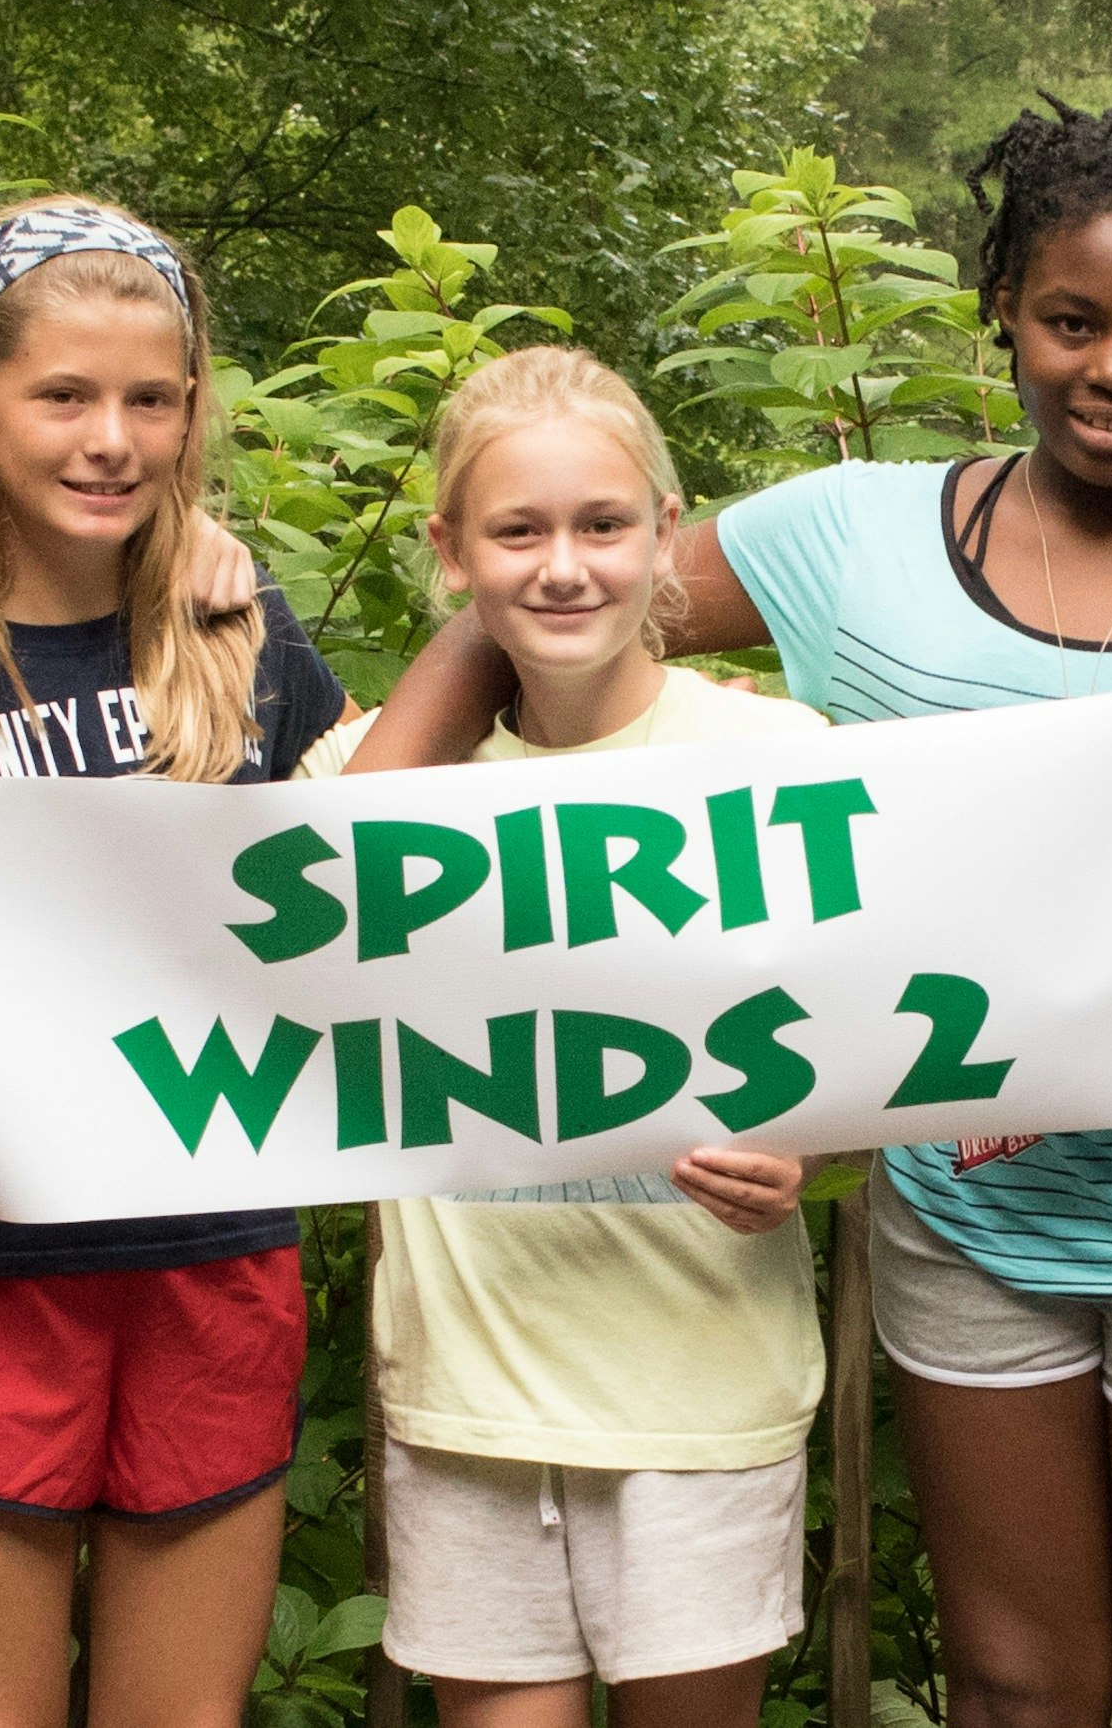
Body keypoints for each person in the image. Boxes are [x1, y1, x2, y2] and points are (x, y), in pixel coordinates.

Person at [346, 97, 1112, 1728]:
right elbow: (561, 596)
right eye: (1071, 320)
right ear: (1005, 309)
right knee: (1012, 1680)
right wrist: (379, 819)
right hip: (967, 1202)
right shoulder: (847, 540)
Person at [0, 195, 350, 1728]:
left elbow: (376, 910)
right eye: (63, 396)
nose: (112, 438)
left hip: (213, 1246)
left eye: (151, 399)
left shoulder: (245, 645)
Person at [281, 347, 826, 1728]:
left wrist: (806, 1156)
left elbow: (865, 1052)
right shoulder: (364, 780)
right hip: (469, 1400)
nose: (564, 565)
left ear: (665, 530)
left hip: (699, 1393)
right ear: (448, 552)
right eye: (516, 530)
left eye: (602, 525)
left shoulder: (779, 759)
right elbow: (245, 937)